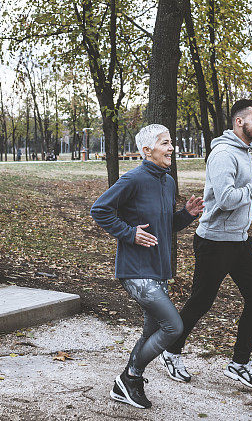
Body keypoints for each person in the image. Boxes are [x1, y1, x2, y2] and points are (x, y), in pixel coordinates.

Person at [162, 99, 252, 390]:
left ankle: (239, 364)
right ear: (240, 122)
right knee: (201, 301)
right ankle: (171, 351)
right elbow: (225, 198)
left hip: (238, 240)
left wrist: (247, 198)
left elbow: (231, 195)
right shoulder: (224, 153)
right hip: (215, 242)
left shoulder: (241, 151)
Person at [90, 124, 204, 409]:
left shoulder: (167, 181)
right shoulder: (134, 179)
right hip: (136, 270)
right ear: (147, 150)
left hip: (159, 269)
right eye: (165, 143)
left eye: (171, 142)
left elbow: (164, 227)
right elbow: (99, 209)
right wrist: (129, 233)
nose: (171, 148)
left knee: (151, 331)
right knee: (173, 326)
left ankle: (127, 383)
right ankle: (129, 379)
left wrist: (186, 215)